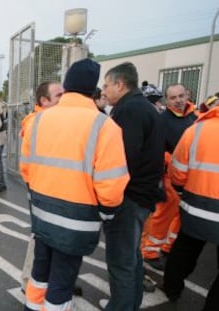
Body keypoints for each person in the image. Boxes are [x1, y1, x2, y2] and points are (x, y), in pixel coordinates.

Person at [21, 59, 130, 311]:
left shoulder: (37, 120)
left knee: (40, 272)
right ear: (93, 89)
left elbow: (26, 168)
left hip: (41, 212)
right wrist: (107, 212)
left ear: (68, 85)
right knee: (62, 279)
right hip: (77, 219)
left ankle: (31, 307)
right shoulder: (104, 125)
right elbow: (111, 184)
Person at [101, 62, 165, 310]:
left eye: (107, 85)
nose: (104, 91)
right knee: (132, 258)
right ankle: (127, 302)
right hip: (141, 195)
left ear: (120, 84)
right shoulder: (143, 107)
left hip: (129, 198)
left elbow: (121, 159)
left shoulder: (129, 111)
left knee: (121, 262)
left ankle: (121, 306)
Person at [163, 94, 219, 310]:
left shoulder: (196, 130)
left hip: (195, 206)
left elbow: (176, 171)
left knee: (184, 251)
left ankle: (171, 288)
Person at [142, 83, 197, 271]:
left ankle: (167, 247)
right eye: (173, 98)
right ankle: (149, 252)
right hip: (169, 177)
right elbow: (156, 149)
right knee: (163, 215)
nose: (178, 101)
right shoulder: (162, 120)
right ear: (166, 100)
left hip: (191, 177)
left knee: (181, 216)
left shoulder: (195, 118)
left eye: (181, 96)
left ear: (187, 94)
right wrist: (176, 160)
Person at [20, 80, 63, 292]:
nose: (64, 100)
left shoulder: (48, 119)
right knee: (41, 236)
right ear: (44, 101)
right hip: (41, 189)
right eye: (59, 96)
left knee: (48, 236)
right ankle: (30, 280)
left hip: (50, 188)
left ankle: (47, 280)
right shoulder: (36, 122)